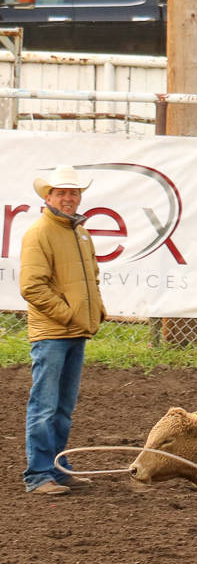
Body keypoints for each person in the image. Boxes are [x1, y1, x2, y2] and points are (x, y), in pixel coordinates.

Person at [19, 165, 106, 496]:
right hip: (53, 332)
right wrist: (70, 315)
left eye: (73, 193)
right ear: (48, 196)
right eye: (62, 193)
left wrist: (93, 310)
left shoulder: (79, 233)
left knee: (62, 404)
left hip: (72, 330)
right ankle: (39, 474)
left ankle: (55, 467)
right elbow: (32, 287)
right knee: (46, 404)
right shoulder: (40, 233)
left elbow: (92, 276)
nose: (68, 198)